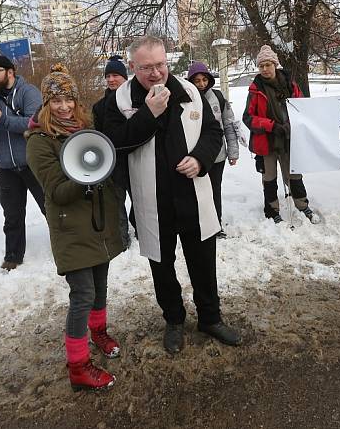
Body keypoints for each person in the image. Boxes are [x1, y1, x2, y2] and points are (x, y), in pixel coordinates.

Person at [102, 36, 241, 353]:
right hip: (152, 200)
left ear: (168, 62)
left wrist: (201, 159)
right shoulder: (119, 100)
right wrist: (147, 114)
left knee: (203, 262)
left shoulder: (189, 91)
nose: (155, 73)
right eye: (147, 67)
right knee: (162, 267)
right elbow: (116, 143)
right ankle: (174, 320)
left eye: (160, 65)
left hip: (192, 194)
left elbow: (212, 131)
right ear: (133, 66)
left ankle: (210, 317)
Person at [26, 63, 125, 391]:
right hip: (71, 228)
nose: (64, 106)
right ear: (46, 104)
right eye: (56, 101)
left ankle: (98, 333)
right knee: (82, 294)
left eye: (68, 99)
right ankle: (78, 366)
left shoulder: (87, 127)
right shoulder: (39, 140)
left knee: (100, 286)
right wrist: (85, 178)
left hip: (99, 223)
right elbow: (55, 190)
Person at [0, 55, 45, 271]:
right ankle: (13, 255)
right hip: (5, 167)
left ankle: (67, 245)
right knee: (12, 215)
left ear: (10, 72)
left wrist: (2, 120)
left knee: (50, 207)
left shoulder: (28, 92)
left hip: (33, 163)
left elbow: (36, 122)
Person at [243, 45, 319, 224]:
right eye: (261, 66)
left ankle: (302, 204)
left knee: (294, 175)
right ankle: (272, 210)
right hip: (266, 141)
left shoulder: (289, 84)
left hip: (289, 139)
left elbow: (302, 108)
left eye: (268, 65)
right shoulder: (255, 89)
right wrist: (271, 126)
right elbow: (248, 118)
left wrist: (291, 124)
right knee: (269, 178)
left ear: (275, 65)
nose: (264, 69)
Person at [187, 61, 241, 238]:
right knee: (196, 191)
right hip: (195, 156)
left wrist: (233, 152)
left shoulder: (218, 97)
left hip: (217, 156)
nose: (201, 84)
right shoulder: (186, 99)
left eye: (204, 79)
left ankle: (216, 225)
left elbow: (229, 125)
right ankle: (198, 224)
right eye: (197, 80)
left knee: (214, 190)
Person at [92, 55, 131, 248]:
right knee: (117, 204)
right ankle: (122, 240)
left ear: (125, 77)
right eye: (108, 76)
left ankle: (144, 231)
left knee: (141, 202)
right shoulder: (99, 107)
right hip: (113, 163)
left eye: (116, 75)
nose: (111, 80)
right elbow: (97, 135)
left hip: (135, 160)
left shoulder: (135, 101)